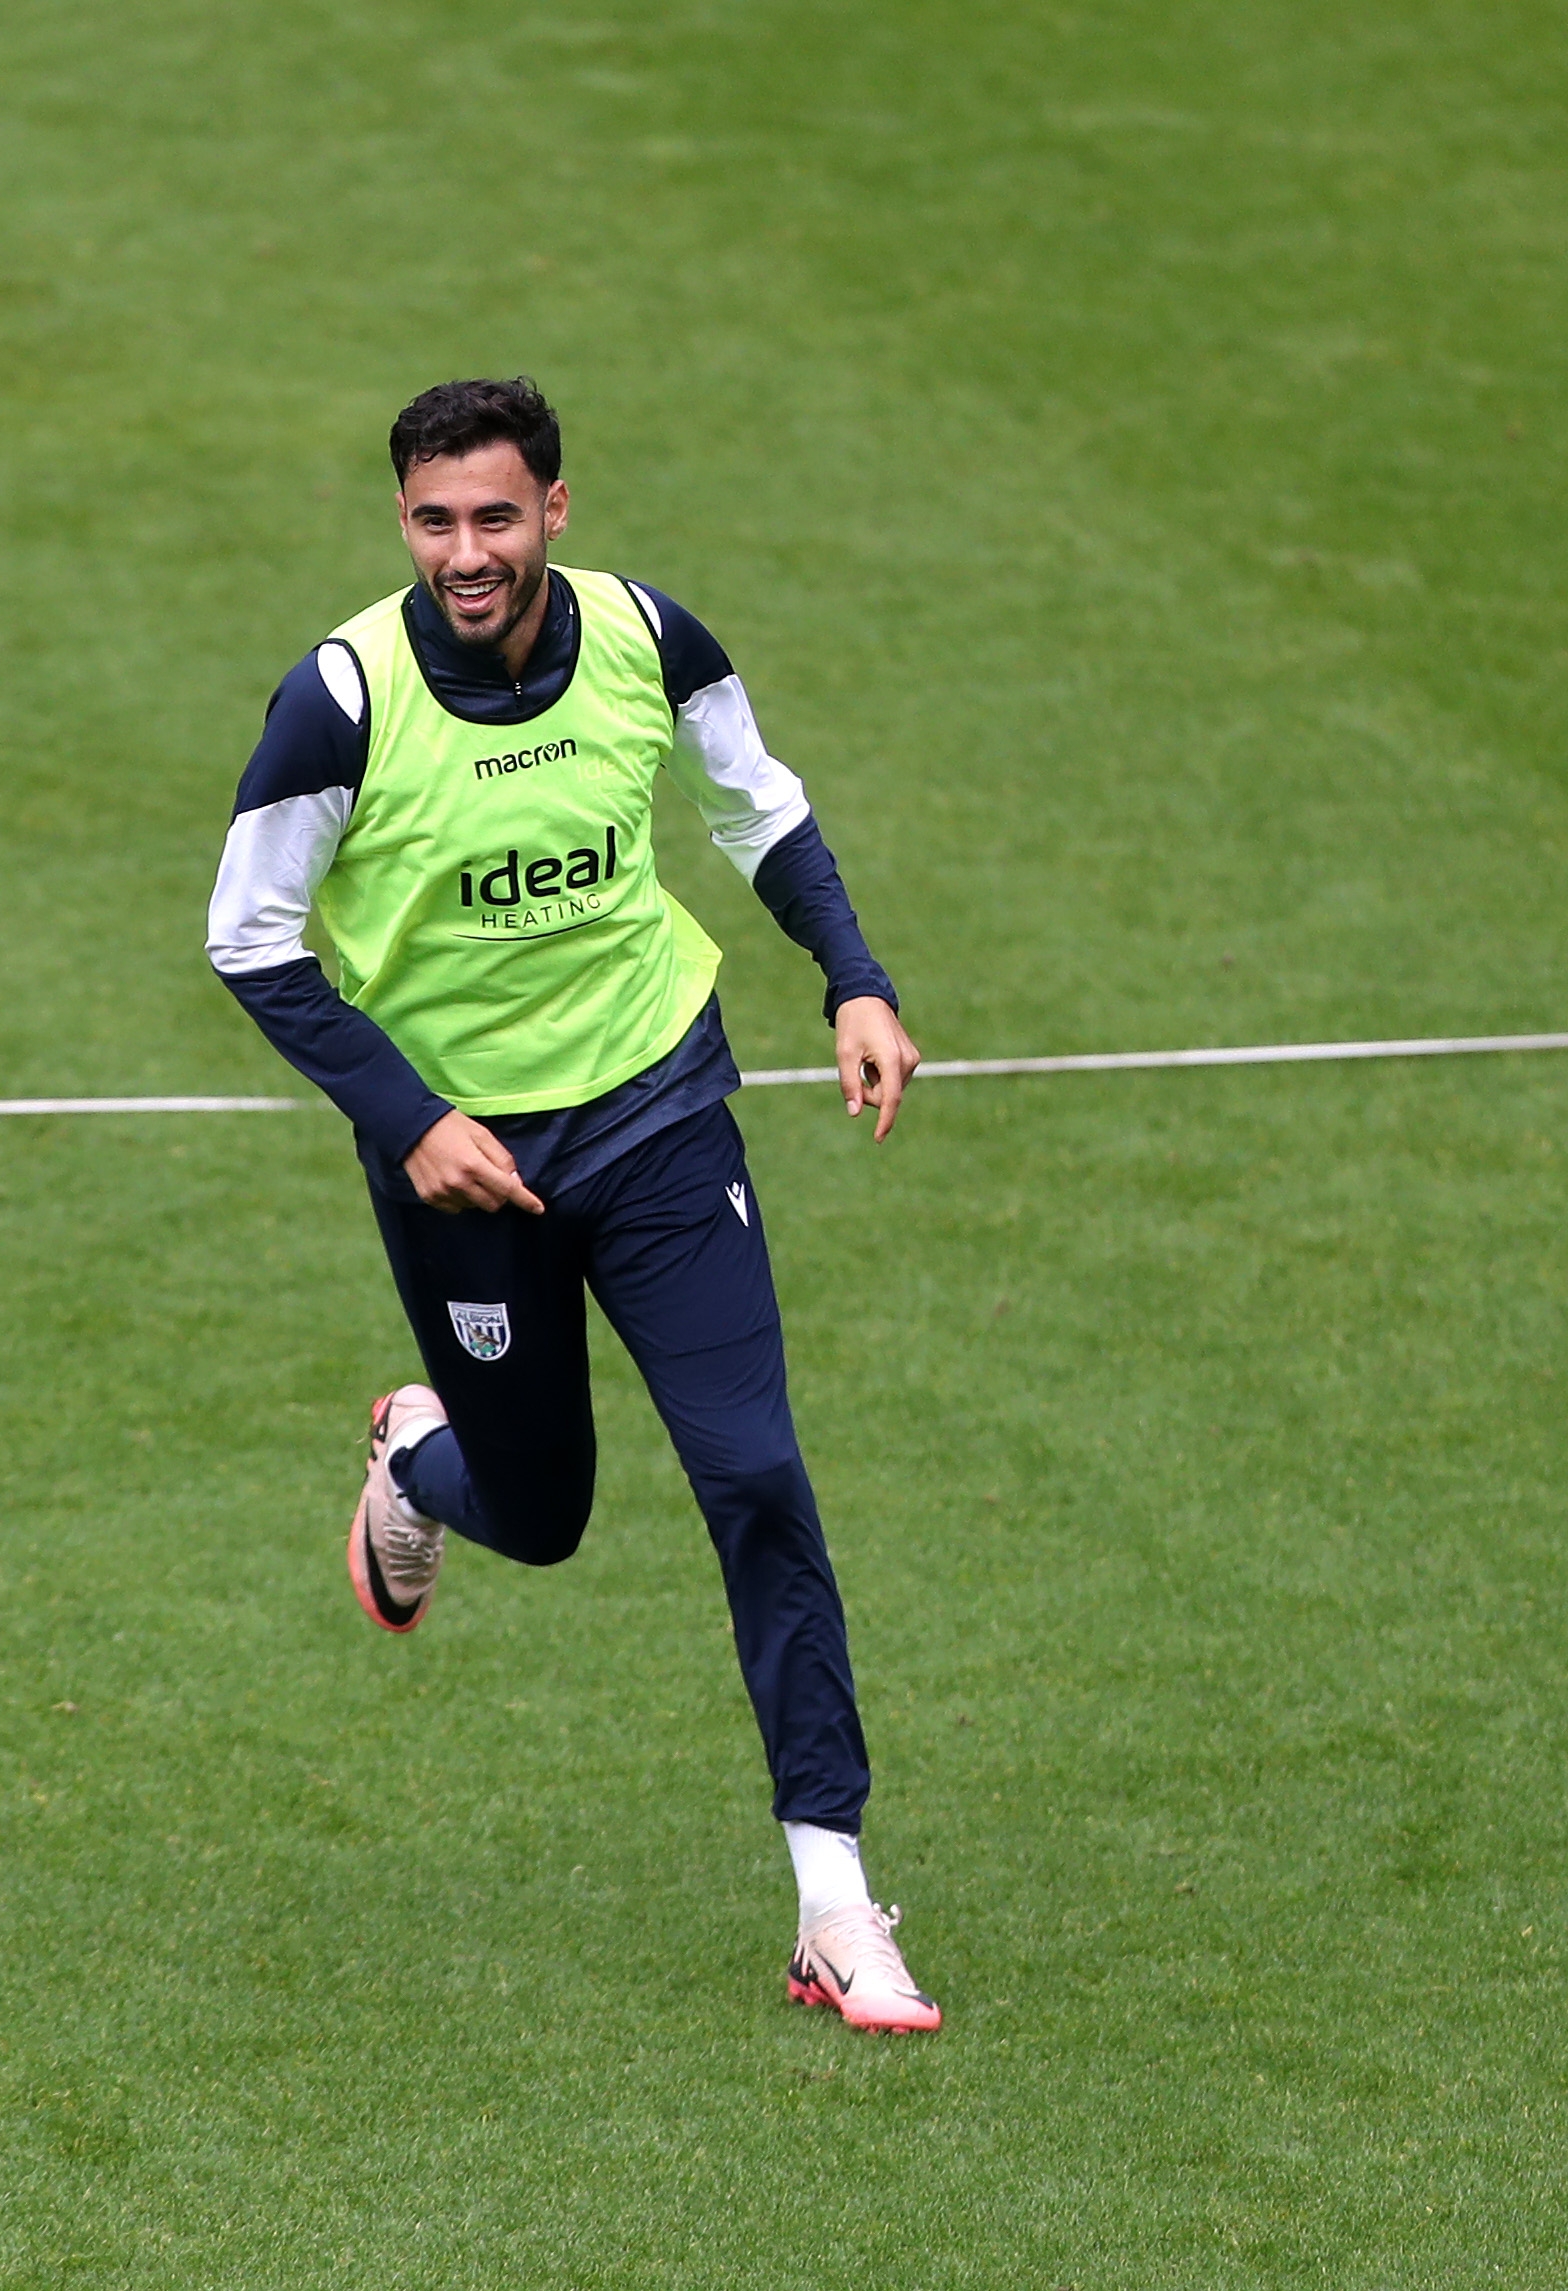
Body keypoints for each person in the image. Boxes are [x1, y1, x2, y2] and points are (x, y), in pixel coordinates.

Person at [204, 377, 938, 2033]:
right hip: (471, 1168)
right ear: (404, 521)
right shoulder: (340, 702)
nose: (468, 552)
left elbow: (761, 807)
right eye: (433, 520)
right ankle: (418, 1458)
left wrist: (853, 980)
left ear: (556, 509)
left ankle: (834, 1896)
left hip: (662, 1110)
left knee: (755, 1471)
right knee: (538, 1513)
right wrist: (409, 1119)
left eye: (498, 516)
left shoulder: (647, 640)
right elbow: (247, 934)